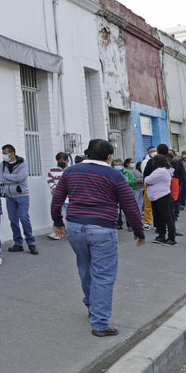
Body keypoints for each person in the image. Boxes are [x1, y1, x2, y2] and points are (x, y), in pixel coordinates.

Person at [50, 139, 145, 337]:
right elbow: (130, 206)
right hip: (102, 229)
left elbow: (57, 199)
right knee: (103, 275)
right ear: (110, 157)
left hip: (75, 227)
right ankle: (100, 322)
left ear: (87, 153)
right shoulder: (114, 175)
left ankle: (92, 306)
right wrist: (138, 231)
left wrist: (58, 222)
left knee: (85, 268)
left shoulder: (70, 171)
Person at [0, 144, 38, 254]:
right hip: (9, 196)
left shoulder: (23, 164)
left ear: (12, 153)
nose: (4, 156)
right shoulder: (2, 164)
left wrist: (6, 177)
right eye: (3, 153)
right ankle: (18, 243)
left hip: (22, 195)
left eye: (5, 153)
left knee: (24, 218)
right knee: (13, 220)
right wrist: (11, 178)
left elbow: (20, 178)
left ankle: (31, 243)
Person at [145, 154, 176, 245]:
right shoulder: (166, 171)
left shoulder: (160, 171)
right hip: (159, 195)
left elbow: (147, 180)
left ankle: (171, 238)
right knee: (160, 217)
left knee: (166, 217)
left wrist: (148, 182)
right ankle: (161, 236)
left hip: (161, 196)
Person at [46, 152, 69, 240]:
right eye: (58, 161)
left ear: (67, 160)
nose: (60, 162)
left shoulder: (71, 169)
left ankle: (72, 232)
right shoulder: (53, 169)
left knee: (70, 215)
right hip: (57, 196)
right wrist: (54, 188)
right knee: (57, 214)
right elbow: (49, 180)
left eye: (62, 161)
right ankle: (56, 233)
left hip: (69, 197)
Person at [112, 158, 136, 230]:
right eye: (116, 165)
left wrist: (126, 181)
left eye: (119, 165)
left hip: (126, 194)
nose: (118, 166)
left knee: (128, 210)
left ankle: (130, 225)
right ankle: (119, 224)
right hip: (115, 194)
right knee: (117, 211)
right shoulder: (112, 173)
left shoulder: (128, 173)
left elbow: (134, 181)